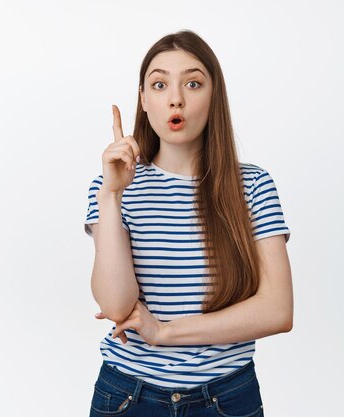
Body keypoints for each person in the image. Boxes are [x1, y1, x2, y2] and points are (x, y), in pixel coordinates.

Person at [84, 29, 292, 417]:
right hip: (128, 396)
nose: (175, 97)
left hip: (227, 397)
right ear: (144, 100)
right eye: (160, 84)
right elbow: (115, 305)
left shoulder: (254, 185)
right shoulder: (111, 187)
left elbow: (277, 310)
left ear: (214, 97)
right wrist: (112, 196)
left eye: (193, 83)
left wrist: (164, 333)